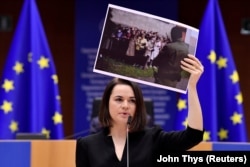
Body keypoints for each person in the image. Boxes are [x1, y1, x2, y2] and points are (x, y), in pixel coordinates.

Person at [75, 54, 204, 167]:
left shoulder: (153, 139)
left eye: (132, 100)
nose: (126, 105)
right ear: (106, 104)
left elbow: (193, 136)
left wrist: (192, 87)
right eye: (119, 99)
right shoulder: (86, 145)